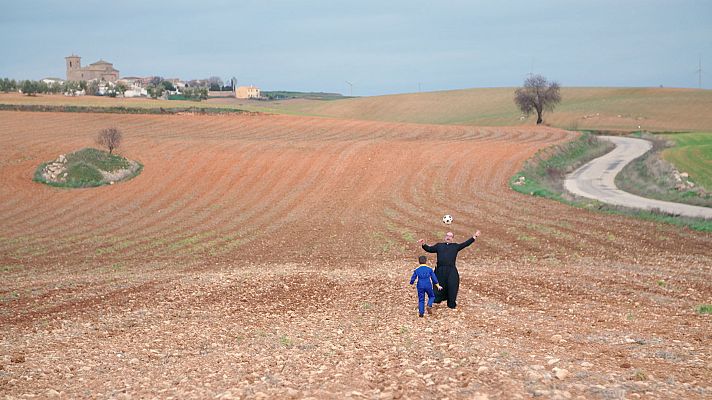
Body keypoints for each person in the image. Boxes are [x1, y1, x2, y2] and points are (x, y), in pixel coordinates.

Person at [417, 230, 481, 309]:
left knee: (452, 285)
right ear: (445, 237)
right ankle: (436, 300)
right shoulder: (439, 245)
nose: (448, 237)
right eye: (447, 235)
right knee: (438, 286)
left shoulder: (455, 246)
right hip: (440, 270)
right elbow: (429, 249)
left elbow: (466, 244)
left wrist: (474, 236)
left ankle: (451, 303)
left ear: (453, 238)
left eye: (450, 236)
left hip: (451, 270)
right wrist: (423, 243)